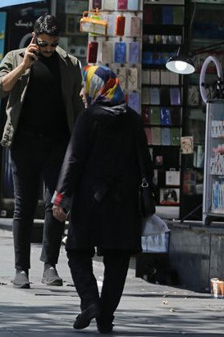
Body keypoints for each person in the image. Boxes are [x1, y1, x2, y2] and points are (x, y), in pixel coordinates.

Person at [52, 66, 152, 334]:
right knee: (117, 260)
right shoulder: (132, 119)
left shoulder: (89, 117)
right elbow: (145, 162)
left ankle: (90, 302)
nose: (84, 93)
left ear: (97, 87)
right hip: (124, 202)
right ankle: (105, 316)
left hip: (90, 200)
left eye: (86, 87)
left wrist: (61, 197)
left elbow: (73, 159)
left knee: (76, 251)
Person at [0, 14, 84, 289]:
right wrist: (24, 67)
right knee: (24, 205)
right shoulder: (16, 57)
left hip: (58, 144)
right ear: (34, 37)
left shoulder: (70, 64)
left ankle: (50, 265)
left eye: (53, 44)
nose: (48, 49)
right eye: (43, 43)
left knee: (55, 205)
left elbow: (78, 109)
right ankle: (21, 269)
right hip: (24, 143)